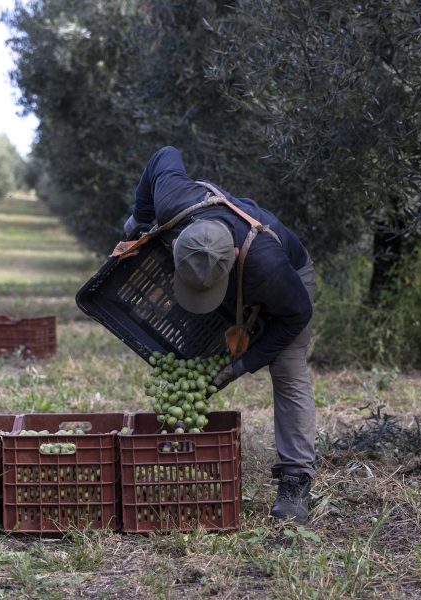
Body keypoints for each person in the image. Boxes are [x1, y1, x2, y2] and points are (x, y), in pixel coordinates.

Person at [125, 146, 316, 523]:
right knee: (192, 347)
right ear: (178, 244)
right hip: (228, 273)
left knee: (288, 369)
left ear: (231, 257)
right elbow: (165, 153)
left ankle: (296, 478)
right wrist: (137, 222)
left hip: (287, 287)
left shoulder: (270, 269)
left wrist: (240, 365)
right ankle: (179, 450)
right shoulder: (174, 200)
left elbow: (296, 317)